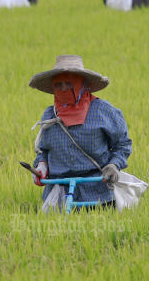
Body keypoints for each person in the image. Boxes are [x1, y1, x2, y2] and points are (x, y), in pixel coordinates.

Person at [29, 55, 132, 210]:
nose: (63, 89)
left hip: (99, 192)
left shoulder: (103, 111)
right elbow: (43, 151)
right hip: (60, 194)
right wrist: (41, 165)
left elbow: (122, 144)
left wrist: (114, 164)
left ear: (82, 85)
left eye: (69, 84)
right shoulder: (50, 116)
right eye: (58, 85)